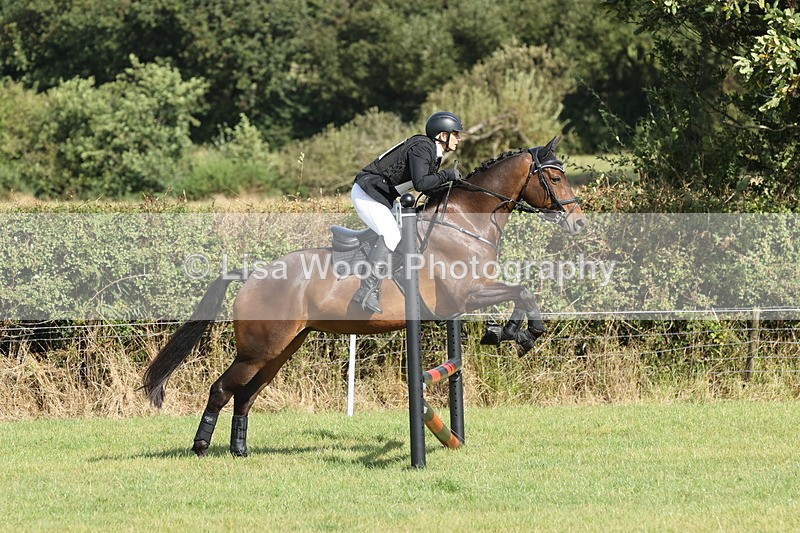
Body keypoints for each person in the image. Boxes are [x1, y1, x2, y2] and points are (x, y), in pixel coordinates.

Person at [350, 111, 465, 314]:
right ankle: (366, 291)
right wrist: (447, 175)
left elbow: (429, 187)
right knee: (391, 234)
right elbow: (421, 183)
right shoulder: (423, 147)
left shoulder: (433, 151)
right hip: (367, 193)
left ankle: (394, 282)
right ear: (442, 135)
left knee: (407, 237)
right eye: (455, 133)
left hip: (383, 196)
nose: (458, 138)